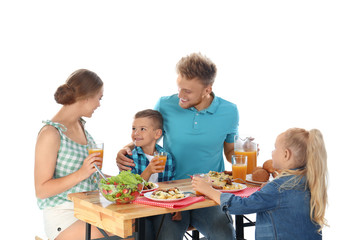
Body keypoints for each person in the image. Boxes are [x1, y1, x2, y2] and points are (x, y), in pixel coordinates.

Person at [116, 53, 238, 239]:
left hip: (207, 194)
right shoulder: (165, 105)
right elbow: (149, 136)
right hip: (169, 193)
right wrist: (126, 149)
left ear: (207, 89)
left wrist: (244, 154)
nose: (180, 95)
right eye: (179, 88)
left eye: (188, 91)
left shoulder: (229, 111)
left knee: (226, 236)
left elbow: (230, 152)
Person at [192, 128, 328, 240]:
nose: (272, 152)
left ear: (286, 154)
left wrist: (209, 190)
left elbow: (239, 206)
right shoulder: (311, 181)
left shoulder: (278, 188)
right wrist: (267, 191)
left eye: (275, 148)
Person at [34, 69, 108, 240]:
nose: (99, 104)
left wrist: (115, 180)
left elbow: (90, 174)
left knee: (137, 227)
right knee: (121, 234)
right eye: (99, 98)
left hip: (88, 208)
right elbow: (42, 190)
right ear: (86, 96)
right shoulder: (51, 133)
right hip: (64, 215)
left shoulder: (81, 126)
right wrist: (81, 173)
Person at [128, 109, 175, 182]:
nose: (136, 133)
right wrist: (148, 171)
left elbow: (169, 184)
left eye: (142, 129)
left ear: (157, 134)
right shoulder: (129, 158)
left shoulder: (167, 157)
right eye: (134, 128)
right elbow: (130, 189)